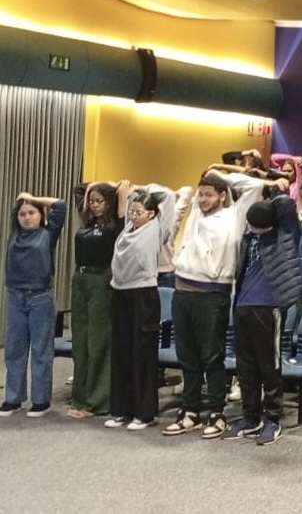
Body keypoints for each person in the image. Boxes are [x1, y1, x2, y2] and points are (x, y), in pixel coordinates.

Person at [163, 171, 266, 439]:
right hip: (182, 291)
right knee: (187, 356)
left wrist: (221, 176)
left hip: (212, 295)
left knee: (211, 356)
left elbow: (254, 185)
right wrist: (205, 183)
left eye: (209, 195)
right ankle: (190, 411)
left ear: (222, 195)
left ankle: (216, 412)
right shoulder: (196, 213)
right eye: (202, 194)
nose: (203, 200)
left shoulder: (235, 216)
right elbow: (184, 194)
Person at [221, 196, 302, 446]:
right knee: (245, 366)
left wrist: (273, 197)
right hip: (243, 305)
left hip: (270, 307)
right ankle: (251, 417)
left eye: (257, 223)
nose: (252, 227)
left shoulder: (285, 235)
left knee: (269, 365)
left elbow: (286, 206)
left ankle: (273, 418)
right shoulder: (249, 237)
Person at [104, 183, 175, 431]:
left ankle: (144, 414)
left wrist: (142, 187)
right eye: (132, 211)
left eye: (139, 212)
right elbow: (131, 206)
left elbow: (168, 195)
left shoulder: (157, 228)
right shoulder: (127, 229)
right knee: (121, 352)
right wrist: (134, 195)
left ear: (151, 214)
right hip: (120, 292)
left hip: (143, 294)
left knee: (142, 353)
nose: (133, 216)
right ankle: (121, 410)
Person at [0, 192, 67, 418]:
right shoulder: (15, 233)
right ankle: (13, 398)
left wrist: (33, 198)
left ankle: (41, 400)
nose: (26, 217)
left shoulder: (48, 233)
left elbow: (61, 206)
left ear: (41, 215)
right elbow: (15, 211)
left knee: (40, 350)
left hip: (40, 297)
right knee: (14, 349)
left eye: (32, 213)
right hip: (15, 297)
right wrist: (22, 201)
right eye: (22, 214)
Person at [68, 181, 126, 419]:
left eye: (100, 201)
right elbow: (78, 189)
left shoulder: (116, 224)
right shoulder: (87, 222)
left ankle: (97, 402)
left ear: (110, 202)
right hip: (80, 279)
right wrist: (94, 187)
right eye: (92, 201)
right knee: (80, 342)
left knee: (98, 341)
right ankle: (80, 398)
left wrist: (114, 187)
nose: (94, 205)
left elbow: (125, 190)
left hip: (102, 280)